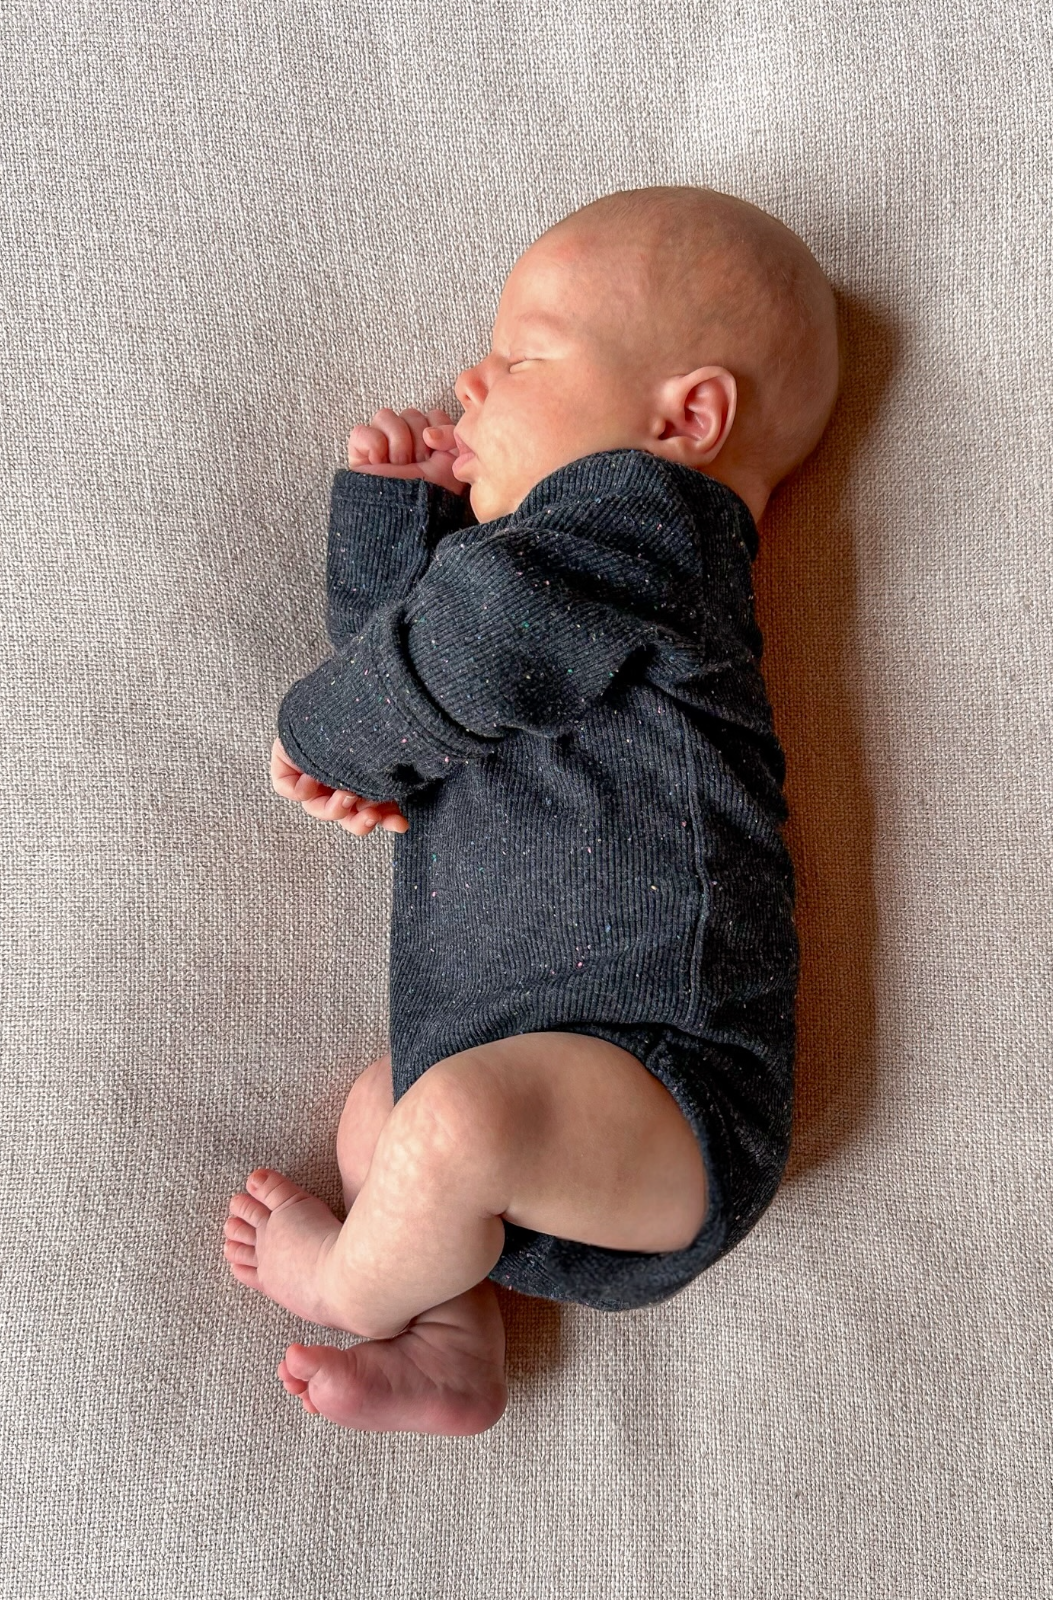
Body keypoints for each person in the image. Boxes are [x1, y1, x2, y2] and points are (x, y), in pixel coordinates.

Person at [222, 184, 840, 1435]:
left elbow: (471, 646)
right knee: (388, 1113)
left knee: (446, 1125)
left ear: (687, 418)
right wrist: (400, 514)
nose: (473, 380)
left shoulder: (655, 528)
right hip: (542, 1090)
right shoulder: (550, 568)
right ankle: (451, 1335)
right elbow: (413, 653)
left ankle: (348, 1285)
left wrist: (325, 735)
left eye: (525, 358)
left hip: (667, 1079)